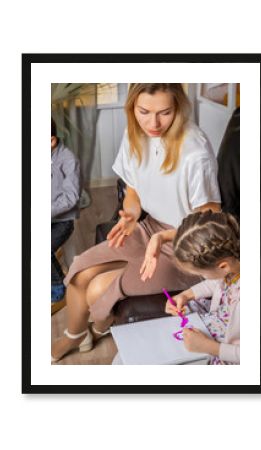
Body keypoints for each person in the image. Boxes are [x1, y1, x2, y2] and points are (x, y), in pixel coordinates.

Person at [51, 83, 221, 362]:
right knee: (81, 271)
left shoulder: (195, 151)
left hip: (187, 246)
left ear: (178, 108)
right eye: (144, 112)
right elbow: (132, 191)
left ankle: (98, 327)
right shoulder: (135, 135)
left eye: (164, 113)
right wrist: (130, 215)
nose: (153, 123)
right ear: (132, 107)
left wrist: (163, 239)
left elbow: (209, 222)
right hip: (150, 227)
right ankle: (76, 336)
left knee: (97, 287)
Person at [165, 210, 240, 365]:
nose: (202, 277)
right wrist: (186, 295)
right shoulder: (234, 263)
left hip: (227, 351)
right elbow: (217, 282)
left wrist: (209, 347)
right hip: (219, 320)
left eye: (201, 273)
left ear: (222, 266)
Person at [51, 118, 81, 304]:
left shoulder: (68, 160)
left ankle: (57, 288)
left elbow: (71, 198)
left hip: (62, 221)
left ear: (51, 141)